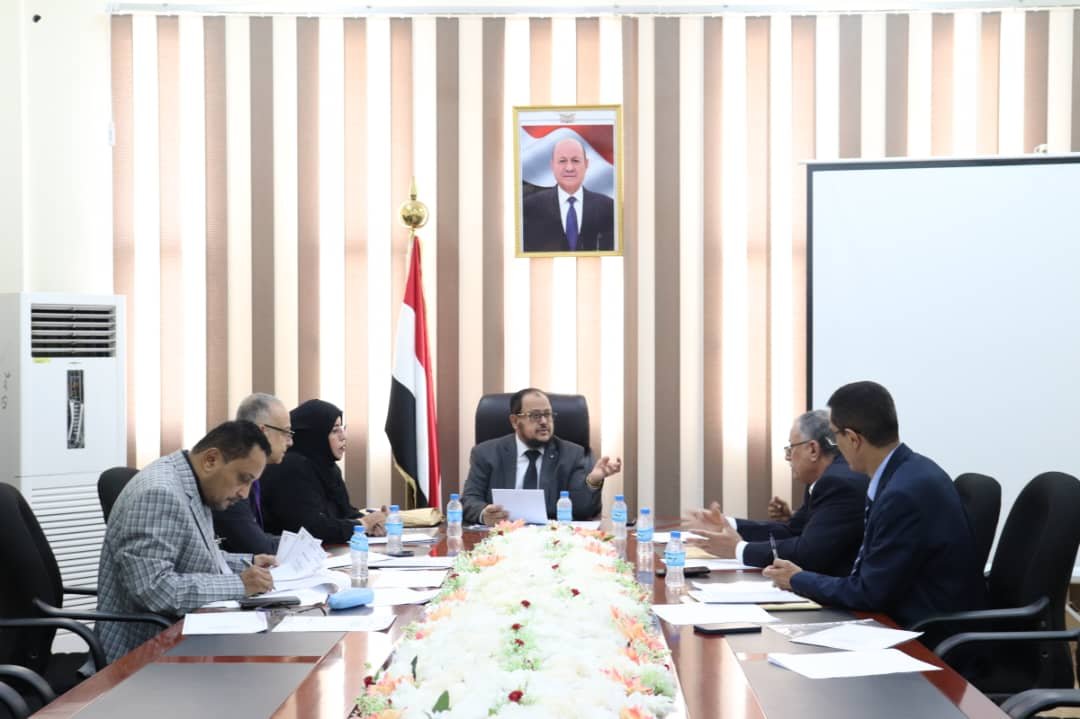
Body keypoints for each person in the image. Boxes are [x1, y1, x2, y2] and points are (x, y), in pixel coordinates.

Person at [764, 381, 987, 627]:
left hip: (923, 629)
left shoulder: (902, 495)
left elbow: (868, 593)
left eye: (836, 436)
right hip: (907, 611)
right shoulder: (909, 470)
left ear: (852, 439)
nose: (835, 447)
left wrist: (797, 579)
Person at [96, 421, 277, 662]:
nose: (244, 493)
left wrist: (248, 563)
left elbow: (191, 555)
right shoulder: (159, 493)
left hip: (185, 637)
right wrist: (239, 584)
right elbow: (155, 589)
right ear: (211, 460)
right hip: (146, 654)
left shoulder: (192, 482)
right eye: (243, 479)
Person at [685, 410, 869, 575]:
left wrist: (739, 549)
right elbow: (792, 531)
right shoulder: (825, 478)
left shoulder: (837, 482)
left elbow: (808, 553)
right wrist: (728, 525)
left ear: (813, 449)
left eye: (791, 449)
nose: (788, 458)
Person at [461, 388, 622, 525]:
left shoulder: (572, 454)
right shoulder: (486, 453)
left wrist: (593, 481)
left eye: (548, 414)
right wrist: (484, 514)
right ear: (515, 421)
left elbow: (581, 510)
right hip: (501, 538)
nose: (544, 421)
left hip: (552, 540)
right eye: (535, 415)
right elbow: (469, 499)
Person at [259, 399, 387, 543]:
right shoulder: (290, 467)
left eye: (342, 428)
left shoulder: (328, 468)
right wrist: (362, 524)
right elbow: (311, 529)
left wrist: (375, 522)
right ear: (315, 435)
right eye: (334, 430)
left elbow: (345, 513)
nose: (344, 437)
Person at [212, 393, 294, 554]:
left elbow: (259, 537)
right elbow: (257, 547)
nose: (290, 441)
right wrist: (303, 545)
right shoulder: (230, 474)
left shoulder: (256, 470)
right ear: (262, 432)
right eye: (286, 432)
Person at [522, 137, 615, 253]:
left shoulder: (608, 207)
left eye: (575, 161)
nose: (569, 168)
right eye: (562, 161)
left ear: (586, 164)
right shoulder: (530, 207)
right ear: (552, 165)